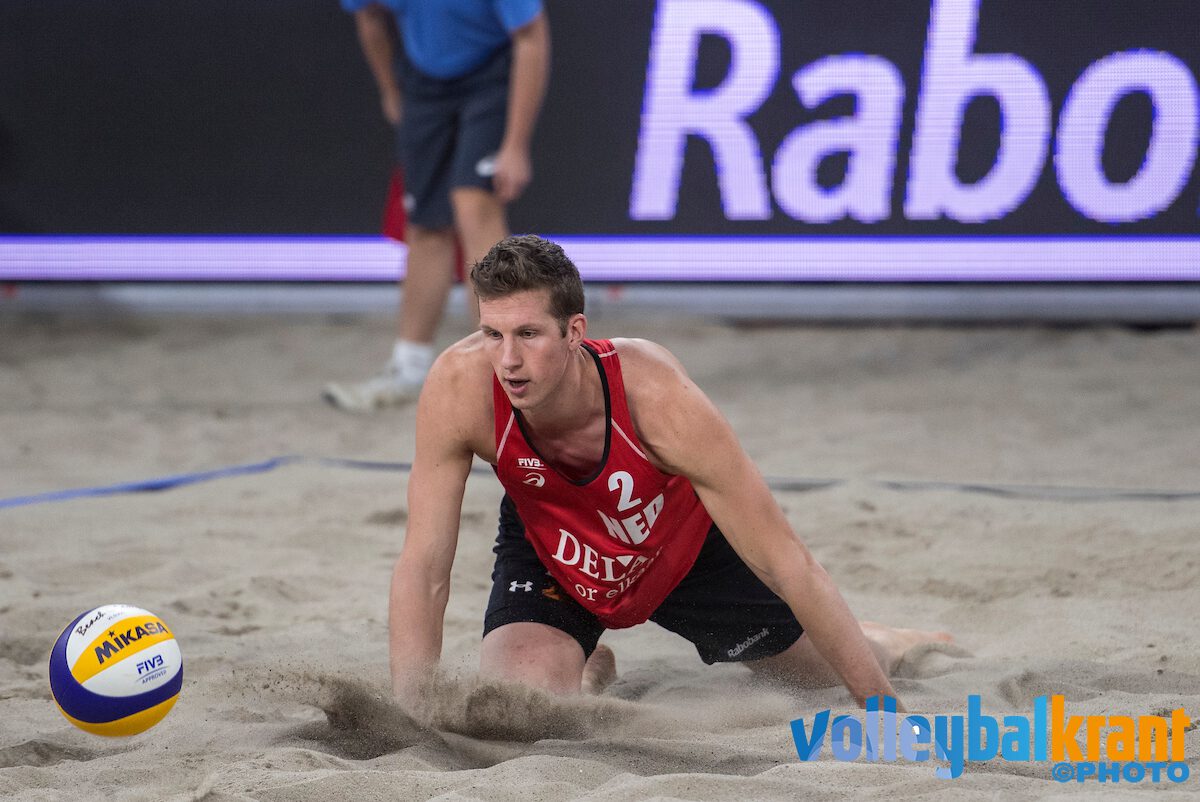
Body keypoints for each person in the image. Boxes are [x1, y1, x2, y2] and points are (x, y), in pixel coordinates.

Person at [389, 234, 952, 709]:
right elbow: (424, 565)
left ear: (575, 331)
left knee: (823, 679)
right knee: (521, 707)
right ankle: (582, 667)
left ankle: (886, 639)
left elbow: (786, 560)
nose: (508, 360)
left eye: (528, 334)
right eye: (493, 334)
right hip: (558, 543)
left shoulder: (655, 394)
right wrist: (410, 715)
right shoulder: (460, 386)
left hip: (678, 547)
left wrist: (883, 710)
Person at [324, 0, 550, 412]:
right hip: (422, 81)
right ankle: (408, 368)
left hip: (492, 72)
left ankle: (508, 372)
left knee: (474, 207)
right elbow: (369, 15)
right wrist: (391, 90)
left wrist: (516, 145)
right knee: (425, 225)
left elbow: (531, 36)